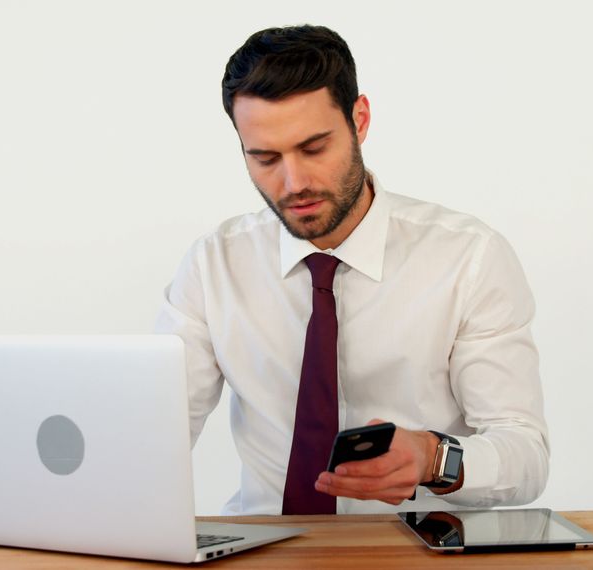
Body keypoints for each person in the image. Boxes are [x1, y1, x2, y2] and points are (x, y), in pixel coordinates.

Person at [155, 24, 549, 515]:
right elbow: (154, 438)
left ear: (359, 120)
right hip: (264, 550)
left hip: (415, 549)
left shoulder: (468, 258)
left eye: (314, 148)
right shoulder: (215, 265)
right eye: (265, 158)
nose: (294, 182)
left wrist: (433, 457)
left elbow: (526, 455)